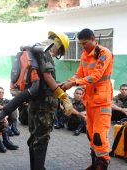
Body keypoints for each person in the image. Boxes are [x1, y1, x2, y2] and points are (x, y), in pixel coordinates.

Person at [61, 28, 114, 169]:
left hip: (102, 101)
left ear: (92, 39)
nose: (83, 46)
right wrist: (67, 82)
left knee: (99, 135)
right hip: (90, 101)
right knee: (91, 134)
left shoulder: (104, 54)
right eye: (81, 44)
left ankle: (102, 165)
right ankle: (96, 163)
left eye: (85, 43)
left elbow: (96, 76)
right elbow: (79, 74)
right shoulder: (85, 54)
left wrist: (74, 83)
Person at [27, 31, 72, 170]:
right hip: (44, 106)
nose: (57, 54)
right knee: (42, 138)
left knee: (34, 136)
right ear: (59, 45)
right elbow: (47, 77)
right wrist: (63, 98)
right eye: (60, 51)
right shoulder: (45, 51)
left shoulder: (34, 50)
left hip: (34, 102)